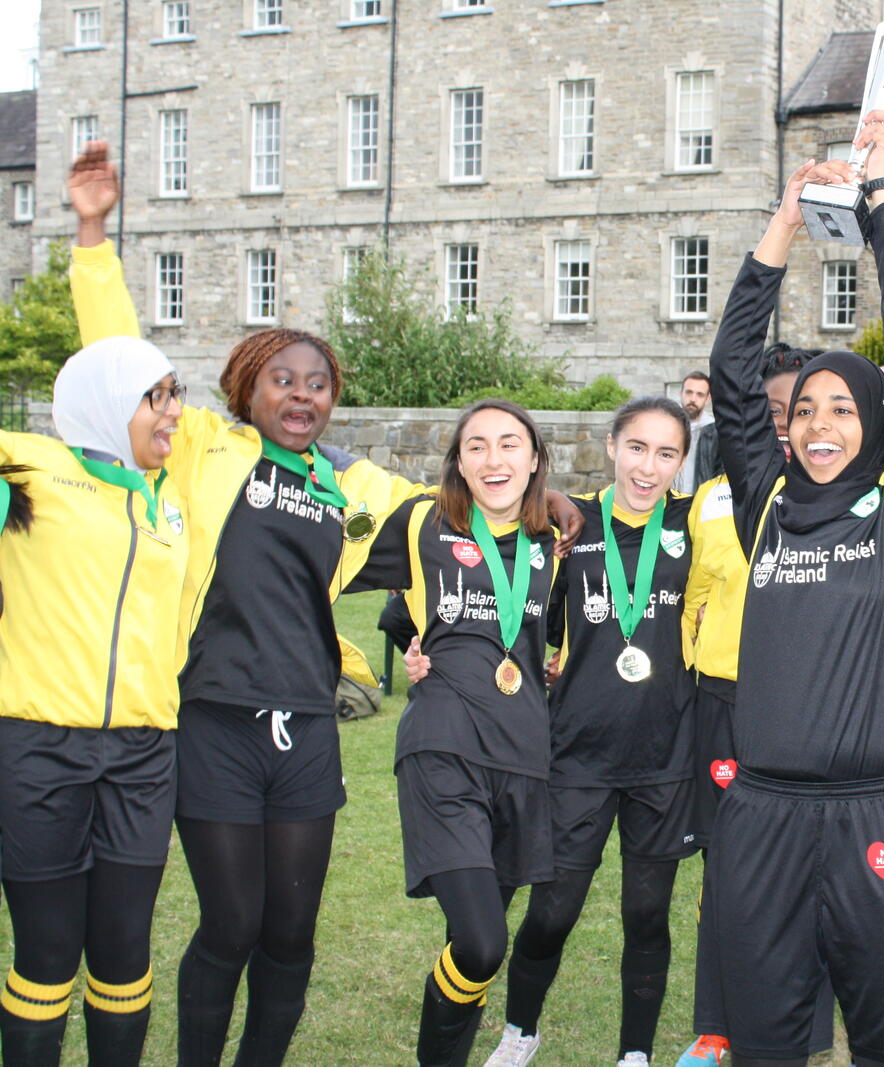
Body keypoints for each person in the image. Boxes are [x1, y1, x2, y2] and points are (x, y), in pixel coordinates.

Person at [64, 140, 581, 1067]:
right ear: (248, 387)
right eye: (283, 379)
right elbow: (114, 356)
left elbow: (463, 504)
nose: (302, 394)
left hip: (307, 727)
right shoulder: (205, 454)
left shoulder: (352, 484)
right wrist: (94, 235)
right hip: (213, 714)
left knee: (292, 935)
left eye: (318, 383)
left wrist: (550, 500)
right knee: (230, 922)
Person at [693, 106, 884, 1067]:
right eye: (805, 407)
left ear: (879, 422)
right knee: (766, 1046)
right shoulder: (762, 501)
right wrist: (781, 222)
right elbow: (733, 372)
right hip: (763, 816)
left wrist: (882, 193)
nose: (818, 424)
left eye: (843, 407)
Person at [343, 399, 561, 1066]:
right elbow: (316, 559)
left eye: (508, 444)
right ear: (458, 462)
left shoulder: (562, 537)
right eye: (476, 446)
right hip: (443, 745)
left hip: (522, 756)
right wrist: (411, 636)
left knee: (474, 941)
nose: (494, 459)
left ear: (533, 458)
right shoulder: (421, 522)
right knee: (481, 942)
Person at [483, 396, 699, 1067]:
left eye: (667, 453)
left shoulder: (693, 527)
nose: (649, 466)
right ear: (611, 445)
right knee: (551, 912)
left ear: (682, 461)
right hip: (575, 753)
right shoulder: (568, 524)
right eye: (637, 447)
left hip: (665, 756)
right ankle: (521, 1030)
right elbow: (507, 581)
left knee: (646, 915)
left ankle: (634, 1051)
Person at [0, 337, 188, 1067]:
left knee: (123, 949)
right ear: (109, 404)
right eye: (157, 396)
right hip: (39, 746)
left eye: (176, 393)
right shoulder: (29, 467)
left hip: (144, 754)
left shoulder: (167, 505)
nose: (173, 412)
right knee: (47, 950)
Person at [673, 342, 834, 1067]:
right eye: (772, 411)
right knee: (727, 866)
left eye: (797, 411)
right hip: (727, 703)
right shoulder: (711, 498)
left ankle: (809, 1029)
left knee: (816, 870)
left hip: (812, 706)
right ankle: (718, 1023)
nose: (784, 425)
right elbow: (690, 601)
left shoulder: (847, 497)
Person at [674, 371, 718, 494]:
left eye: (700, 394)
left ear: (708, 398)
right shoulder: (666, 427)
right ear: (680, 393)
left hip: (700, 503)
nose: (693, 399)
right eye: (689, 392)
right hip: (667, 503)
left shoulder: (715, 432)